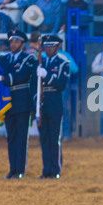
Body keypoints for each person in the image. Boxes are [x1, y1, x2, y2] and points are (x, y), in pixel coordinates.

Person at [0, 30, 36, 179]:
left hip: (22, 101)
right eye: (11, 41)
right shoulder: (4, 59)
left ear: (22, 43)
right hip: (7, 102)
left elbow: (21, 76)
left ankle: (20, 169)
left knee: (21, 137)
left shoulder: (28, 58)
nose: (13, 44)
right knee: (11, 137)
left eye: (16, 41)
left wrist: (2, 78)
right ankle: (12, 168)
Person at [36, 34, 70, 179]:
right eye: (46, 46)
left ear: (57, 47)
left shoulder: (63, 63)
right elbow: (34, 85)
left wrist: (47, 76)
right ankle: (46, 170)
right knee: (44, 138)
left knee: (54, 138)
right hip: (42, 103)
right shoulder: (40, 62)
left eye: (51, 46)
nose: (48, 49)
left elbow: (61, 84)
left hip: (55, 103)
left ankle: (55, 170)